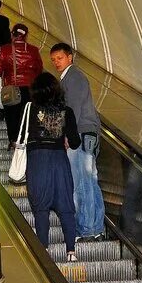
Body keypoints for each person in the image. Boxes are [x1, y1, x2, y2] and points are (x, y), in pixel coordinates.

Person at [51, 42, 106, 242]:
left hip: (80, 133)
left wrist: (67, 135)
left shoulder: (73, 77)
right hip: (86, 132)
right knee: (90, 181)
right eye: (54, 59)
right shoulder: (71, 77)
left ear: (70, 57)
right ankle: (96, 227)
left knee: (82, 181)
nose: (57, 62)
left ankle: (86, 229)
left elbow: (72, 109)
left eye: (60, 58)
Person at [23, 73, 80, 262]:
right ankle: (71, 251)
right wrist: (63, 138)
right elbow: (75, 142)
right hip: (58, 159)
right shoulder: (67, 111)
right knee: (65, 206)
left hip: (38, 160)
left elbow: (19, 133)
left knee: (41, 208)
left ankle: (43, 250)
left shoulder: (30, 109)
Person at [0, 23, 43, 145]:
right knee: (28, 116)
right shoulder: (33, 50)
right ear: (26, 36)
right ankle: (28, 141)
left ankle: (14, 141)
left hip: (11, 89)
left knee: (12, 117)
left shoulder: (4, 49)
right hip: (30, 89)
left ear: (12, 34)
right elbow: (39, 69)